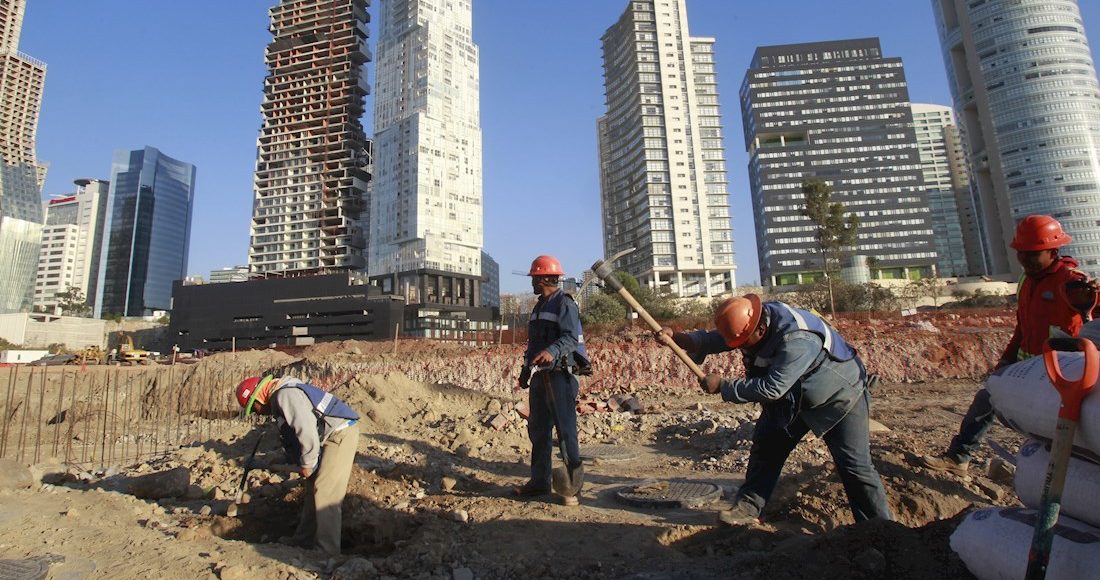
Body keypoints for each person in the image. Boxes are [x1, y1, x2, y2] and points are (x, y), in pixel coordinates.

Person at [660, 294, 893, 526]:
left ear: (760, 329)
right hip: (794, 397)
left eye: (743, 344)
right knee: (766, 447)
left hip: (839, 394)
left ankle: (880, 527)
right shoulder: (752, 322)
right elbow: (720, 339)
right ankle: (748, 507)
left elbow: (772, 388)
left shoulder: (798, 340)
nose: (739, 349)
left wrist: (724, 386)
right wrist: (681, 339)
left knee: (854, 465)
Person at [921, 215, 1100, 475]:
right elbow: (1022, 326)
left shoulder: (1072, 282)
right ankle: (959, 457)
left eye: (1032, 254)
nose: (1025, 260)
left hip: (1062, 374)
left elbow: (1094, 321)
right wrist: (1007, 360)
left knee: (1048, 425)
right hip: (1028, 366)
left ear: (1053, 251)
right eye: (1021, 253)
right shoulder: (1026, 281)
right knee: (987, 398)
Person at [234, 375, 360, 555]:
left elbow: (306, 430)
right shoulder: (282, 397)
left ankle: (327, 551)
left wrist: (307, 463)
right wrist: (284, 459)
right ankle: (304, 540)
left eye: (254, 407)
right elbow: (294, 439)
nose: (257, 413)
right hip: (329, 436)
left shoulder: (285, 395)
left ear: (259, 396)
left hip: (340, 434)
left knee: (326, 490)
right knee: (313, 488)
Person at [513, 255, 590, 506]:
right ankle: (539, 482)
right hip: (540, 377)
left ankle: (572, 489)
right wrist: (526, 370)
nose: (532, 283)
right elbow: (533, 344)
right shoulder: (538, 307)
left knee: (566, 432)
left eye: (535, 278)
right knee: (538, 430)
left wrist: (552, 351)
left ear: (545, 278)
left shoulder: (564, 304)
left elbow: (571, 338)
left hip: (560, 375)